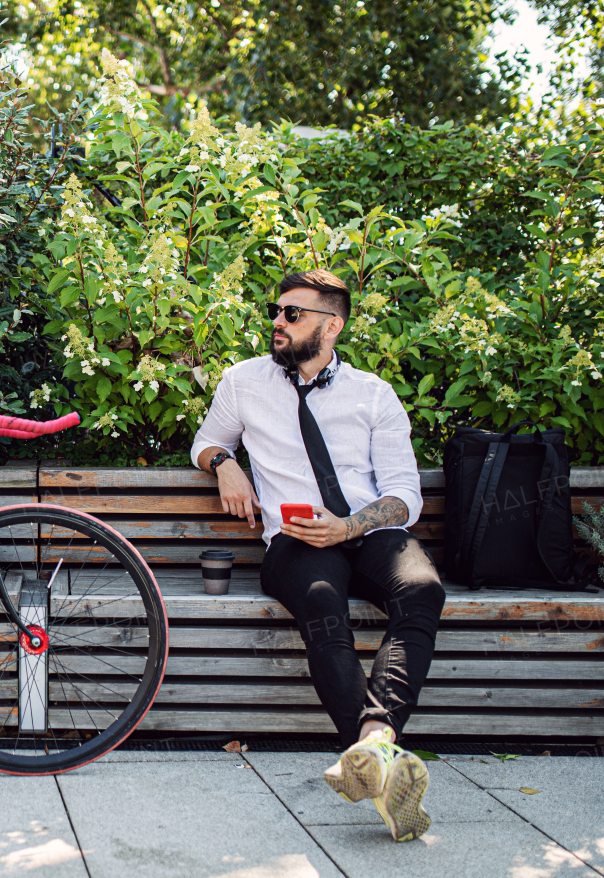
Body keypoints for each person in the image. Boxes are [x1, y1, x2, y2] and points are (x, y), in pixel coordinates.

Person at [190, 268, 445, 843]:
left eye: (292, 314)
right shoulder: (243, 381)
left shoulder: (373, 394)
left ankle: (373, 747)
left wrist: (351, 525)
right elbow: (206, 439)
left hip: (367, 531)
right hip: (296, 540)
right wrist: (223, 463)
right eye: (276, 311)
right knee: (323, 604)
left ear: (332, 326)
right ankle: (381, 761)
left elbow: (406, 493)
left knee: (423, 590)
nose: (277, 322)